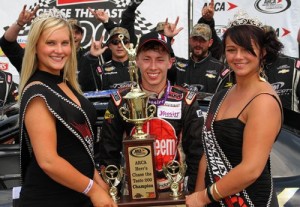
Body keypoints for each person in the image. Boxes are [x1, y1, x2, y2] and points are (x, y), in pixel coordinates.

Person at [17, 8, 116, 207]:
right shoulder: (38, 92)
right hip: (50, 199)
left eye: (65, 43)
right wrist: (93, 189)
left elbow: (78, 145)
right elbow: (48, 161)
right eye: (51, 43)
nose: (59, 50)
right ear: (35, 46)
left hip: (78, 195)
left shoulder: (65, 83)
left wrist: (96, 178)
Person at [186, 10, 282, 207]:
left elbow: (251, 169)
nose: (238, 57)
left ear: (262, 51)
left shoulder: (264, 101)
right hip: (214, 200)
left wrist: (203, 197)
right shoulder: (221, 95)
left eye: (247, 49)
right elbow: (208, 152)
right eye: (231, 49)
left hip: (251, 201)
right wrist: (198, 195)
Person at [98, 31, 204, 193]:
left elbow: (197, 154)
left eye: (160, 60)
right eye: (147, 59)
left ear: (170, 62)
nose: (153, 67)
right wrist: (113, 194)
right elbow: (108, 153)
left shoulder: (186, 100)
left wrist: (195, 194)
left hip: (176, 193)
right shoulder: (121, 100)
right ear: (137, 61)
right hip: (133, 193)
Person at [173, 23, 225, 93]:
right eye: (195, 39)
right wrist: (168, 38)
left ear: (210, 42)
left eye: (202, 40)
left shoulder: (220, 68)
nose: (198, 44)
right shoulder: (178, 65)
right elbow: (161, 57)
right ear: (190, 40)